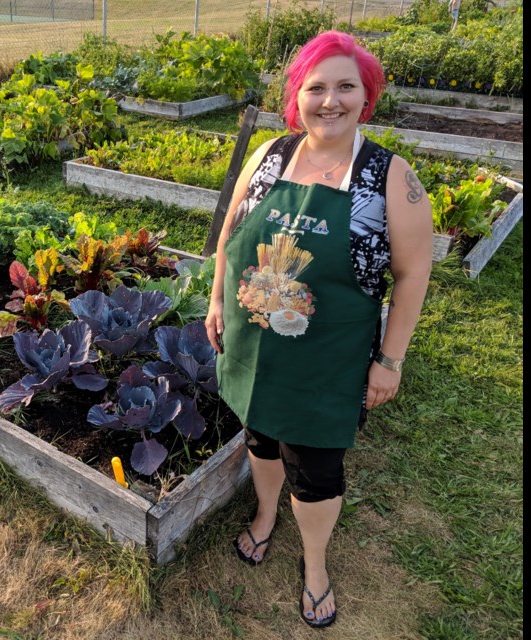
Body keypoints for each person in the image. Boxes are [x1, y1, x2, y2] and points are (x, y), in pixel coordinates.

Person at [204, 30, 432, 629]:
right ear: (296, 97)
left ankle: (314, 564)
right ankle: (264, 513)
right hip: (255, 345)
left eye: (345, 87)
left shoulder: (387, 177)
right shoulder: (270, 155)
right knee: (260, 438)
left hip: (329, 358)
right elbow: (230, 235)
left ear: (366, 96)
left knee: (317, 466)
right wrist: (215, 302)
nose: (329, 101)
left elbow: (412, 275)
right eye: (316, 88)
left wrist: (390, 361)